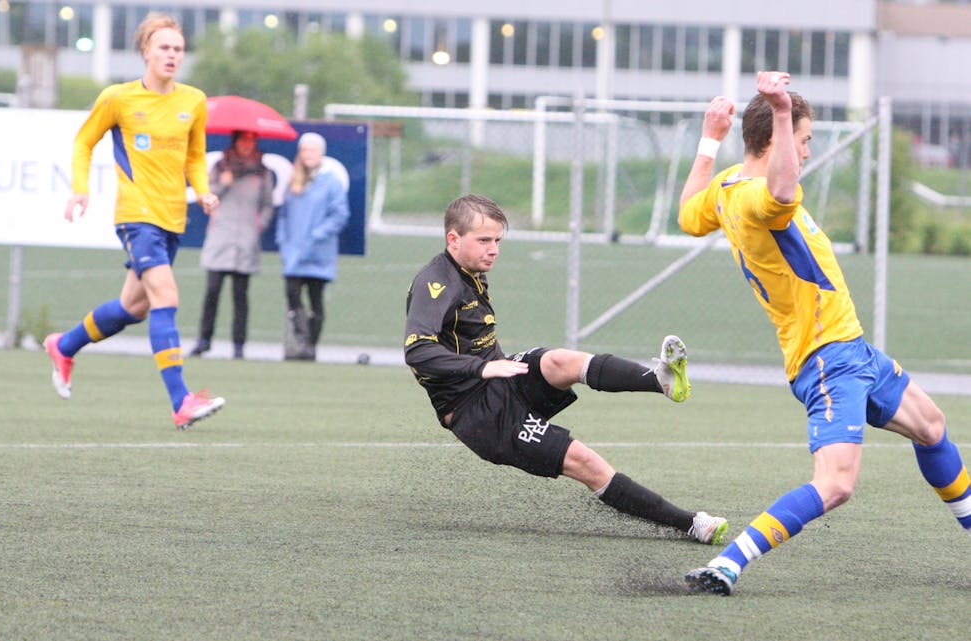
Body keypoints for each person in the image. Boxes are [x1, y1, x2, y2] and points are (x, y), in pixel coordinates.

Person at [678, 71, 971, 595]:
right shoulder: (752, 198)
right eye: (804, 140)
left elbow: (686, 216)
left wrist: (708, 139)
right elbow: (783, 186)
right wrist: (785, 111)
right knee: (836, 485)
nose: (808, 151)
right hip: (826, 359)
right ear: (775, 140)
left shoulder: (724, 187)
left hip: (853, 349)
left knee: (931, 425)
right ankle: (726, 564)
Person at [404, 194, 728, 545]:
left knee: (560, 360)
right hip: (479, 411)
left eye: (497, 240)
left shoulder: (470, 271)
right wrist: (481, 370)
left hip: (501, 379)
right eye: (484, 240)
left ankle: (660, 379)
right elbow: (418, 350)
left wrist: (492, 368)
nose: (494, 249)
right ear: (453, 239)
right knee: (585, 461)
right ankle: (692, 524)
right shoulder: (435, 283)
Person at [43, 11, 225, 430]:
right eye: (164, 47)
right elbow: (83, 142)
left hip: (172, 219)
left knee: (134, 307)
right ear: (146, 51)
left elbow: (196, 156)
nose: (172, 55)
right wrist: (80, 189)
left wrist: (203, 191)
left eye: (178, 49)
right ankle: (181, 400)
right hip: (136, 215)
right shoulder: (118, 98)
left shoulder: (193, 101)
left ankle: (64, 344)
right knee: (166, 296)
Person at [190, 130, 275, 360]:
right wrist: (223, 184)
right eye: (242, 140)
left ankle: (239, 345)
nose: (246, 145)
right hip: (221, 238)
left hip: (246, 241)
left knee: (240, 296)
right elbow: (206, 197)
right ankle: (203, 340)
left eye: (250, 141)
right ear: (235, 142)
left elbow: (268, 204)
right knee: (212, 293)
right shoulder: (219, 167)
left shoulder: (263, 171)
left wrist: (259, 224)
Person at [275, 132, 350, 361]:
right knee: (293, 297)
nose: (308, 154)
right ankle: (303, 342)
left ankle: (310, 346)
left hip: (319, 253)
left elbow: (340, 215)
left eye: (313, 150)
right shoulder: (293, 182)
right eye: (305, 150)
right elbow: (284, 217)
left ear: (321, 153)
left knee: (316, 299)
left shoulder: (331, 182)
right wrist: (283, 242)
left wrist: (317, 235)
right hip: (294, 254)